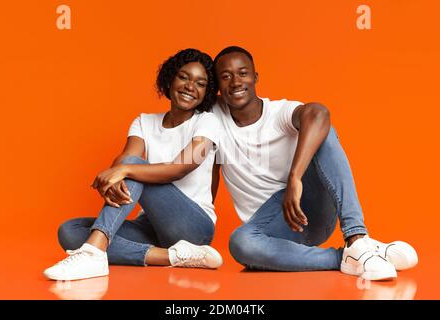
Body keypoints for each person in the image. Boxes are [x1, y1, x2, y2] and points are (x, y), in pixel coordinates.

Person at [211, 46, 418, 281]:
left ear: (255, 77)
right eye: (226, 76)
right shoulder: (212, 117)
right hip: (274, 229)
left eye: (243, 73)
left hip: (309, 207)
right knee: (241, 243)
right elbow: (186, 90)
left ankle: (356, 236)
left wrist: (295, 178)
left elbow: (318, 113)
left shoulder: (278, 113)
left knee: (323, 131)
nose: (236, 82)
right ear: (217, 86)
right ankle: (353, 257)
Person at [44, 48, 224, 281]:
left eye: (200, 83)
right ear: (170, 78)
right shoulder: (144, 122)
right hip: (150, 226)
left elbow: (180, 168)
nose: (191, 86)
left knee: (132, 165)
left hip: (193, 226)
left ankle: (93, 253)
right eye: (184, 77)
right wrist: (121, 171)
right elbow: (124, 159)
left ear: (206, 93)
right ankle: (174, 257)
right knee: (69, 232)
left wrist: (125, 170)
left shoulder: (207, 122)